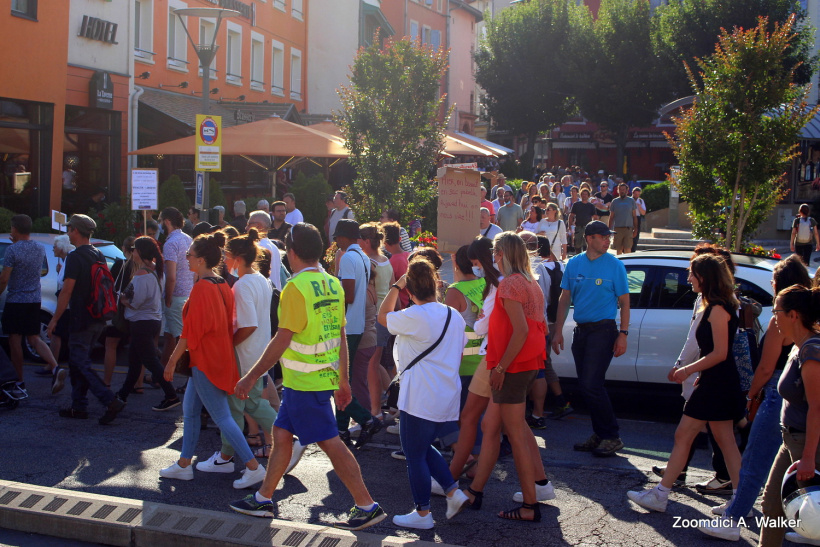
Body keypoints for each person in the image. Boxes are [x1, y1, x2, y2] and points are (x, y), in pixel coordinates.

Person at [228, 223, 387, 531]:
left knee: (331, 444)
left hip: (304, 381)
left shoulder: (295, 288)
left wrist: (250, 377)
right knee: (282, 434)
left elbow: (281, 340)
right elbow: (339, 334)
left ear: (291, 252)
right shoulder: (331, 283)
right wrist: (342, 378)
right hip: (319, 378)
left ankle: (366, 504)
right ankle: (263, 498)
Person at [698, 255, 811, 541]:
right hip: (797, 401)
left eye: (774, 280)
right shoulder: (810, 320)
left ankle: (733, 519)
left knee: (755, 461)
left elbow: (765, 367)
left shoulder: (783, 320)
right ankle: (805, 525)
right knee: (789, 470)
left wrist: (750, 395)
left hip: (778, 395)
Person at [628, 254, 743, 514]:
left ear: (705, 277)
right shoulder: (719, 305)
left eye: (692, 273)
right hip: (717, 381)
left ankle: (660, 495)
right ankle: (740, 500)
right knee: (725, 440)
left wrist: (687, 370)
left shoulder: (717, 309)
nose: (688, 278)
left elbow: (720, 353)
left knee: (686, 435)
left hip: (716, 384)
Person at [160, 231, 267, 487]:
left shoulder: (201, 289)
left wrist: (172, 361)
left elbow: (189, 333)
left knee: (222, 417)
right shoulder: (222, 283)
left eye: (189, 255)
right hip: (219, 357)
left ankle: (253, 467)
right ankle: (184, 464)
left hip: (205, 360)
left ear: (200, 260)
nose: (186, 259)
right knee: (191, 412)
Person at [378, 258, 471, 529]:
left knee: (414, 454)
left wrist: (396, 286)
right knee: (419, 447)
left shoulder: (415, 315)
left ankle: (423, 514)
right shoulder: (452, 314)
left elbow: (382, 316)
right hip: (446, 394)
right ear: (435, 284)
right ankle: (453, 493)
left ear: (411, 289)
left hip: (420, 395)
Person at [482, 232, 549, 522]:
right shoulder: (529, 281)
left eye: (496, 252)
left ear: (504, 253)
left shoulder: (511, 283)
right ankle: (539, 489)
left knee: (516, 435)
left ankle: (529, 504)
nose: (493, 257)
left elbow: (520, 331)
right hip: (527, 363)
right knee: (519, 429)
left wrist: (499, 369)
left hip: (514, 367)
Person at [197, 229, 278, 470]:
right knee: (250, 404)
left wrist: (229, 344)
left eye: (227, 256)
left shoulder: (243, 285)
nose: (224, 261)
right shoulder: (262, 280)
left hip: (244, 355)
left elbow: (248, 324)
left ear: (238, 259)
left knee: (235, 406)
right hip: (258, 352)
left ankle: (225, 456)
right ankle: (284, 437)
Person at [751, 284, 820, 546]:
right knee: (771, 505)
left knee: (812, 514)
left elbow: (817, 407)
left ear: (794, 315)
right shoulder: (797, 346)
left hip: (808, 444)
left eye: (777, 310)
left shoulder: (812, 351)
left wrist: (809, 458)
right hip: (790, 440)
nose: (773, 316)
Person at [553, 220, 629, 457]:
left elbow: (625, 302)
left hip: (604, 330)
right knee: (587, 386)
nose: (608, 240)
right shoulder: (574, 264)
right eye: (603, 236)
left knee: (591, 384)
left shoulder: (615, 265)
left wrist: (623, 334)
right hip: (582, 330)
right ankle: (601, 432)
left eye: (609, 237)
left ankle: (611, 435)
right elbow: (565, 298)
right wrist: (557, 331)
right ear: (589, 238)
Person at [47, 215, 125, 424]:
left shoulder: (75, 257)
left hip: (81, 318)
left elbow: (66, 291)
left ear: (74, 231)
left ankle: (109, 400)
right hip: (98, 317)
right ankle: (78, 406)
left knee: (80, 363)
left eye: (69, 229)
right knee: (77, 362)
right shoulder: (98, 254)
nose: (68, 232)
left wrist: (55, 319)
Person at [333, 219, 382, 447]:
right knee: (345, 380)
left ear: (345, 237)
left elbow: (348, 296)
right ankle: (341, 429)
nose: (335, 242)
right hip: (357, 324)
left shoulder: (348, 258)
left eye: (337, 238)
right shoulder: (362, 255)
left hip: (347, 325)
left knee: (338, 381)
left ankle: (366, 420)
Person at [116, 237, 179, 411]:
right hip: (152, 321)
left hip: (141, 322)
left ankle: (171, 395)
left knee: (150, 362)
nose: (133, 252)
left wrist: (122, 300)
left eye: (135, 249)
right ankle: (122, 395)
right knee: (135, 362)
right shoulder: (158, 272)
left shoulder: (141, 274)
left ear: (141, 252)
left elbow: (135, 302)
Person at [0, 215, 61, 389]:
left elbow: (4, 278)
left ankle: (19, 380)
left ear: (14, 229)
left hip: (16, 300)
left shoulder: (12, 250)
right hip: (34, 299)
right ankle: (55, 367)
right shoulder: (40, 248)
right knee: (34, 338)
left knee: (14, 340)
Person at [532, 236, 572, 425]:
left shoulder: (538, 270)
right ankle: (559, 401)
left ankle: (558, 402)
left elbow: (541, 299)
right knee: (544, 363)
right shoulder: (560, 266)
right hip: (557, 320)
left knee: (542, 365)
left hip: (544, 322)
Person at [358, 223, 395, 416]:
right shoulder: (385, 261)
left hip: (375, 317)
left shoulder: (370, 262)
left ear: (365, 241)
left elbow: (367, 290)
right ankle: (393, 399)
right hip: (385, 316)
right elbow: (392, 288)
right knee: (376, 362)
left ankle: (375, 410)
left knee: (372, 364)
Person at [158, 208, 196, 371]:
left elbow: (171, 276)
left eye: (160, 220)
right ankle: (162, 372)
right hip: (189, 293)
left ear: (167, 221)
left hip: (176, 296)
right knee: (170, 336)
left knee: (179, 337)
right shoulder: (188, 239)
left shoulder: (170, 243)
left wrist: (167, 299)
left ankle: (185, 372)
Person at [43, 234, 75, 383]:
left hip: (66, 304)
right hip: (67, 303)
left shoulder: (70, 259)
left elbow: (66, 284)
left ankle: (52, 365)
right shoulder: (66, 260)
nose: (53, 249)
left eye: (55, 246)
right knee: (61, 334)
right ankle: (53, 364)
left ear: (61, 248)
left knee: (57, 333)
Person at [246, 210, 284, 290]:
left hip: (265, 295)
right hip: (274, 295)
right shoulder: (274, 247)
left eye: (249, 224)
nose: (246, 228)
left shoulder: (260, 247)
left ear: (258, 226)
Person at [384, 222, 411, 308]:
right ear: (400, 239)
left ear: (384, 243)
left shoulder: (391, 262)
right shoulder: (409, 256)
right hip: (411, 303)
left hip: (401, 306)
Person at [608, 182, 638, 255]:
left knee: (628, 249)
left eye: (623, 189)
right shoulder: (615, 201)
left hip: (628, 229)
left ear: (627, 191)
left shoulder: (631, 201)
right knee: (619, 250)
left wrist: (636, 229)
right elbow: (611, 217)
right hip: (618, 229)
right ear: (618, 191)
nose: (622, 191)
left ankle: (629, 264)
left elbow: (634, 216)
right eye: (620, 189)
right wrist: (609, 229)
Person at [567, 188, 599, 253]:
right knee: (577, 245)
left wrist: (595, 228)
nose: (584, 196)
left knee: (586, 245)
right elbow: (571, 216)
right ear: (580, 195)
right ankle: (578, 257)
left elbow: (595, 217)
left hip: (588, 228)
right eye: (583, 194)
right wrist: (569, 226)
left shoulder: (591, 206)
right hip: (578, 227)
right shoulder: (576, 204)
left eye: (586, 194)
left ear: (588, 196)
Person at [631, 187, 646, 253]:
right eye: (636, 194)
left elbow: (643, 213)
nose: (637, 196)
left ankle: (633, 249)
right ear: (633, 193)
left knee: (636, 234)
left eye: (638, 194)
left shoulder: (640, 201)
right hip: (629, 218)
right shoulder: (629, 200)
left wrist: (639, 206)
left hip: (637, 217)